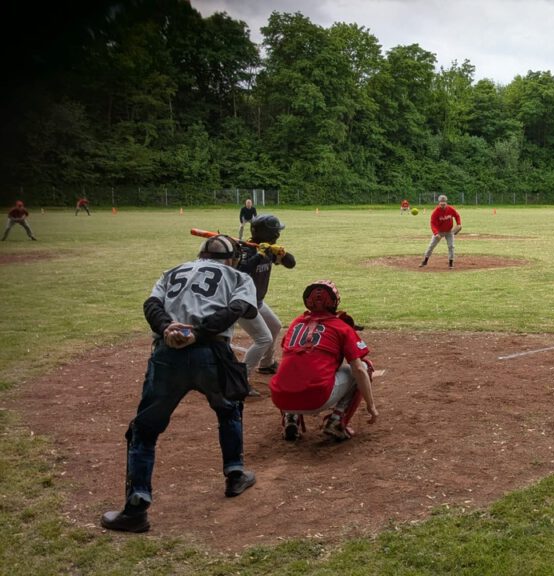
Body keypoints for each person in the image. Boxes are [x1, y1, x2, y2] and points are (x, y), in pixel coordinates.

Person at [100, 235, 259, 533]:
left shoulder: (172, 271)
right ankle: (235, 475)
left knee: (145, 431)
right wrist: (199, 333)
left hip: (168, 355)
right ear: (231, 258)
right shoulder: (238, 276)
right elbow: (237, 310)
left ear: (200, 254)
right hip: (212, 353)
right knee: (228, 410)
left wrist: (166, 327)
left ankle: (135, 510)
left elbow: (151, 305)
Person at [270, 280, 379, 441]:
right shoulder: (341, 326)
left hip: (280, 398)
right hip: (317, 398)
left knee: (294, 366)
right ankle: (336, 421)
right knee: (364, 367)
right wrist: (371, 406)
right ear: (334, 302)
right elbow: (359, 370)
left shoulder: (296, 323)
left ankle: (290, 418)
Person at [237, 214, 296, 383]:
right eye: (276, 231)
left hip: (256, 301)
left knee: (274, 326)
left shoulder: (268, 249)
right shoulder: (246, 250)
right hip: (241, 303)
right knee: (263, 339)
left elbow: (291, 264)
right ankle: (241, 380)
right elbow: (241, 271)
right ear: (270, 233)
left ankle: (266, 364)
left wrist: (282, 253)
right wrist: (259, 255)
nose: (278, 234)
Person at [419, 195, 462, 269]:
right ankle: (425, 261)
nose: (442, 204)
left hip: (449, 231)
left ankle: (451, 263)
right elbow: (432, 223)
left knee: (451, 246)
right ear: (439, 203)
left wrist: (459, 224)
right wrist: (436, 233)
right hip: (439, 231)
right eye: (441, 203)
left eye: (444, 203)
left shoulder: (451, 209)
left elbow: (457, 215)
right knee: (431, 246)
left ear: (446, 202)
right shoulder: (436, 212)